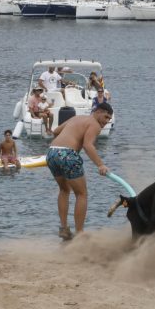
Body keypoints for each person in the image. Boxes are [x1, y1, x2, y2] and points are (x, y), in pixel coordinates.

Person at [46, 102, 112, 240]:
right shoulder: (94, 124)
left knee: (64, 190)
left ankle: (64, 229)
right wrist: (100, 165)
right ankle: (80, 234)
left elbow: (56, 131)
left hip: (51, 153)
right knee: (82, 194)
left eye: (109, 119)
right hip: (68, 155)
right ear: (98, 111)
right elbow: (88, 146)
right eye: (106, 117)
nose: (106, 122)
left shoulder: (76, 118)